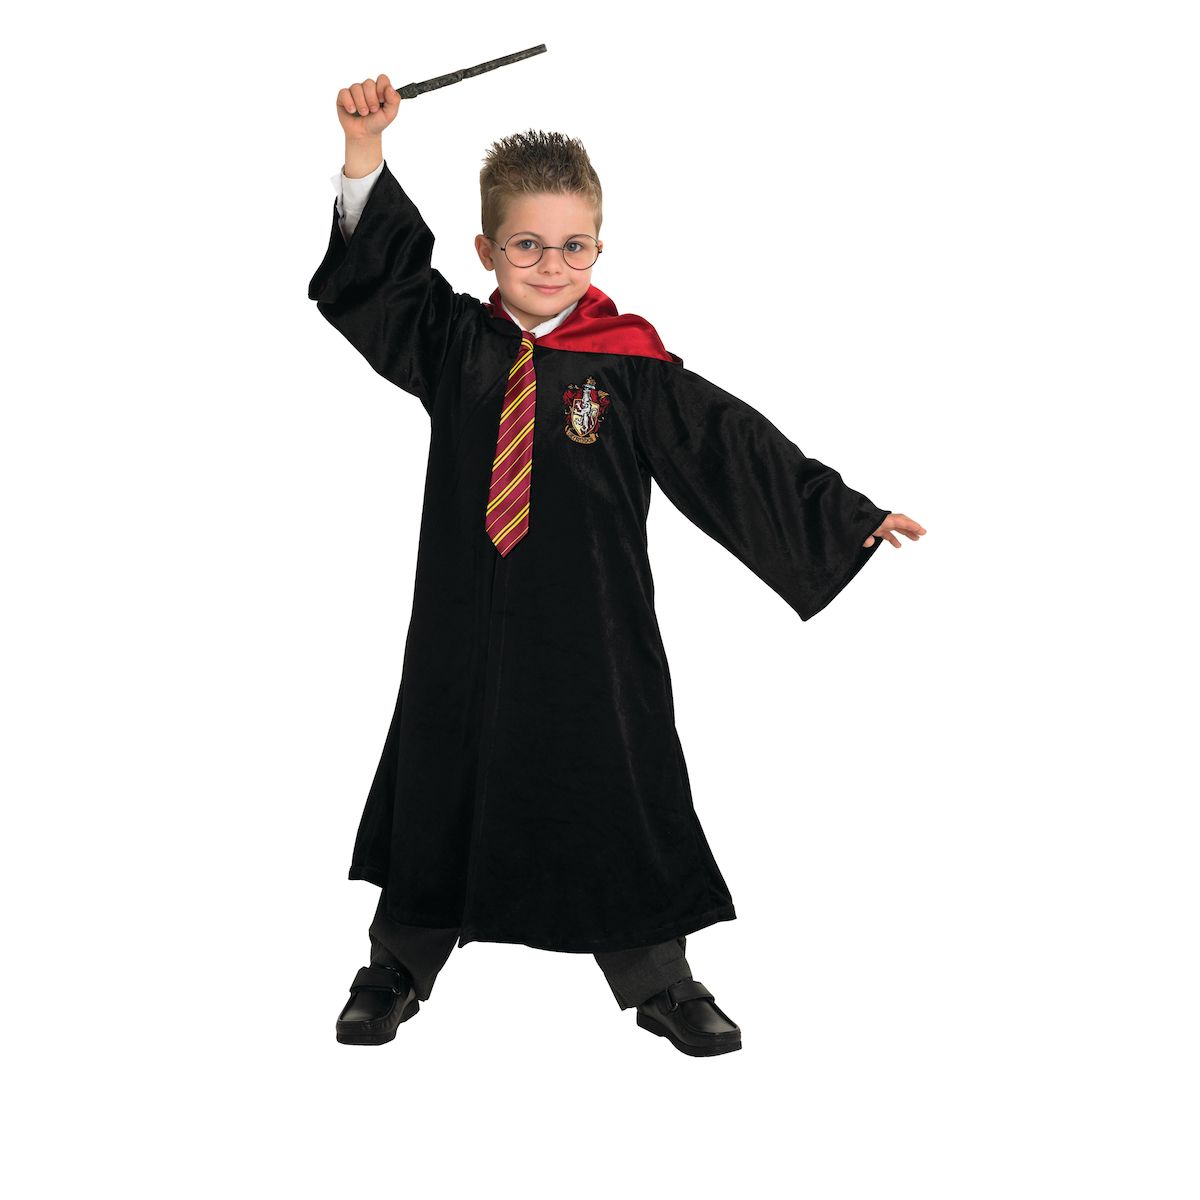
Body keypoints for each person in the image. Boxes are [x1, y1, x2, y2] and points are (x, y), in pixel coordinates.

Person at [308, 73, 926, 1058]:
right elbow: (378, 286)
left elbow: (729, 449)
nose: (550, 265)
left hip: (590, 633)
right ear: (487, 250)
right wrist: (363, 151)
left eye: (573, 246)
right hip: (464, 628)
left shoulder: (628, 365)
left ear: (598, 247)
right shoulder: (456, 344)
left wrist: (844, 516)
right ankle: (397, 966)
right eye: (525, 245)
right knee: (440, 775)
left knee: (615, 784)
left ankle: (658, 979)